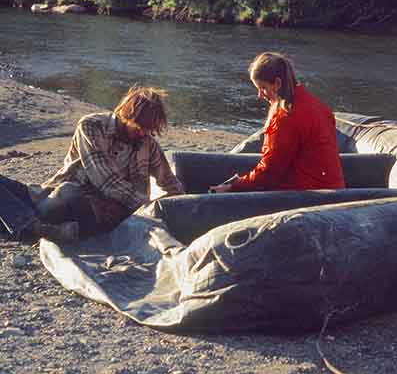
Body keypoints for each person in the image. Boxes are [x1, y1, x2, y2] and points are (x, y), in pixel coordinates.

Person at [0, 85, 184, 242]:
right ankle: (33, 227)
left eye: (148, 130)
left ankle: (28, 226)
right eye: (139, 128)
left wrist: (184, 206)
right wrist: (146, 205)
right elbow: (104, 179)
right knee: (60, 192)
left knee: (65, 192)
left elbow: (169, 182)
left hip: (94, 211)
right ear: (126, 114)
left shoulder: (148, 144)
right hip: (56, 195)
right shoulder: (91, 126)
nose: (143, 134)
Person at [209, 52, 345, 193]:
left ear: (277, 83)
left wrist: (233, 187)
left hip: (310, 194)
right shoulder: (317, 105)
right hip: (332, 189)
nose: (260, 95)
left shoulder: (286, 117)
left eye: (263, 88)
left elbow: (270, 170)